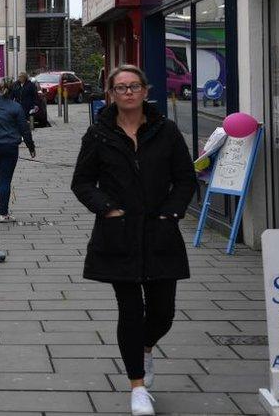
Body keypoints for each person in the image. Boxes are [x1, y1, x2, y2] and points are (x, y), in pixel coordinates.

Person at [71, 65, 195, 416]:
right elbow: (81, 182)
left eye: (134, 86)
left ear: (145, 90)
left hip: (160, 233)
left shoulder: (166, 131)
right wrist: (107, 209)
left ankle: (144, 348)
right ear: (111, 93)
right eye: (121, 87)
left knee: (163, 313)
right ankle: (137, 388)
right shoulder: (98, 134)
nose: (128, 92)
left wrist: (171, 212)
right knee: (130, 310)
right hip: (119, 236)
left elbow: (185, 179)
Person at [0, 78, 36, 223]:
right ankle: (3, 213)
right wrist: (31, 148)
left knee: (1, 177)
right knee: (5, 179)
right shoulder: (15, 107)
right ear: (13, 91)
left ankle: (3, 210)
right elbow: (24, 130)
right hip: (9, 147)